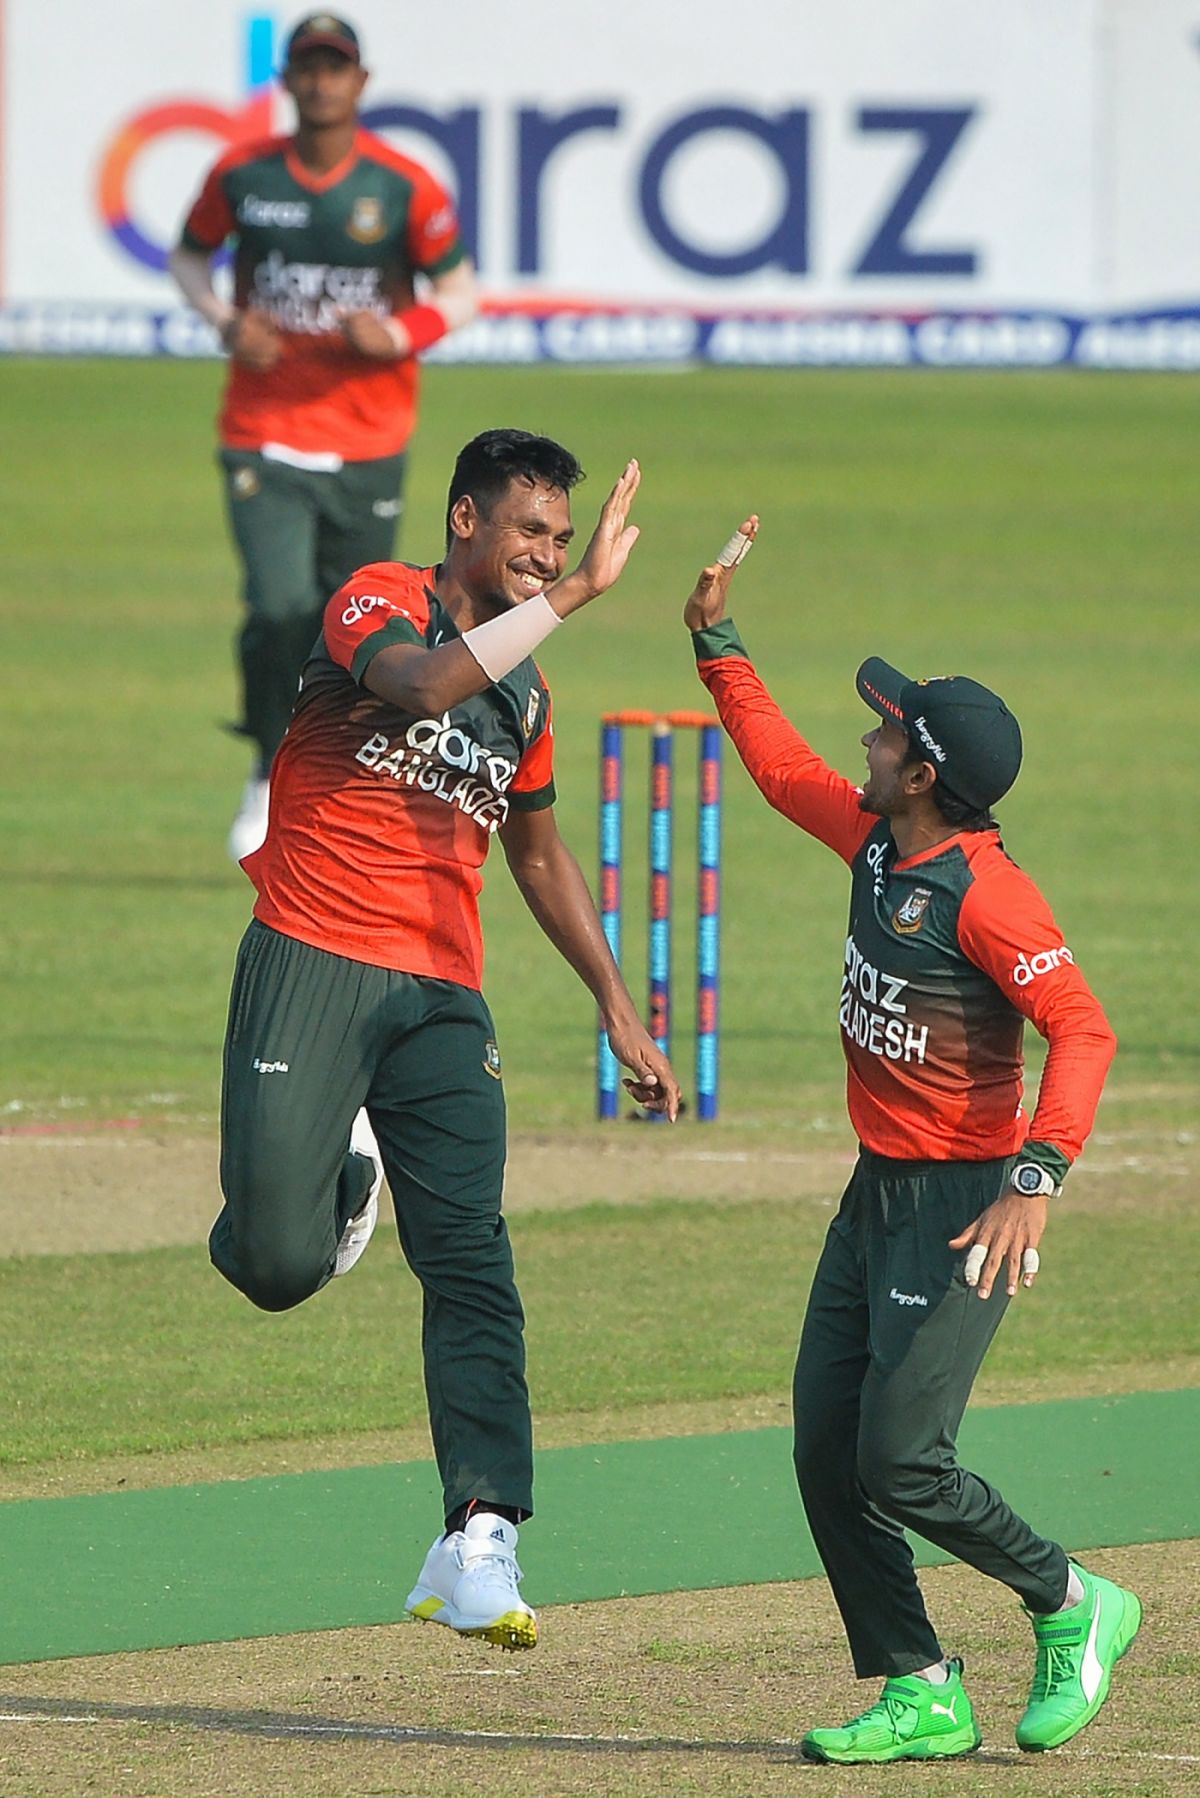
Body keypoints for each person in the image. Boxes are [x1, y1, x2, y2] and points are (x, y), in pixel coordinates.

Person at [211, 428, 680, 1652]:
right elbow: (419, 686)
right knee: (267, 1261)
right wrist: (574, 602)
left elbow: (535, 850)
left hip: (439, 994)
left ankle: (482, 1536)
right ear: (465, 518)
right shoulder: (376, 599)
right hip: (310, 956)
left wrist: (618, 1003)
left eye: (564, 541)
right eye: (531, 530)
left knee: (470, 1256)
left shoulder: (529, 691)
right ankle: (339, 1178)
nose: (548, 554)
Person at [683, 518, 1138, 1763]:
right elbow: (781, 771)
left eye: (887, 729)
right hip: (875, 1193)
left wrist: (1038, 1180)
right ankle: (919, 1683)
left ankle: (1070, 1601)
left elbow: (1083, 1028)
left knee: (901, 1458)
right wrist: (717, 641)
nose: (869, 738)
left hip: (967, 1205)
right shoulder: (879, 840)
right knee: (828, 1451)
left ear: (926, 770)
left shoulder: (989, 895)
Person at [169, 13, 478, 860]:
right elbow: (189, 259)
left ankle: (337, 782)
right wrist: (226, 322)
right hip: (263, 430)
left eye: (336, 67)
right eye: (307, 67)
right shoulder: (241, 175)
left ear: (360, 82)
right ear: (289, 81)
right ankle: (267, 768)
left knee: (349, 615)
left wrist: (402, 332)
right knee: (276, 607)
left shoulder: (402, 185)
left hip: (369, 437)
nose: (321, 82)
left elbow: (460, 291)